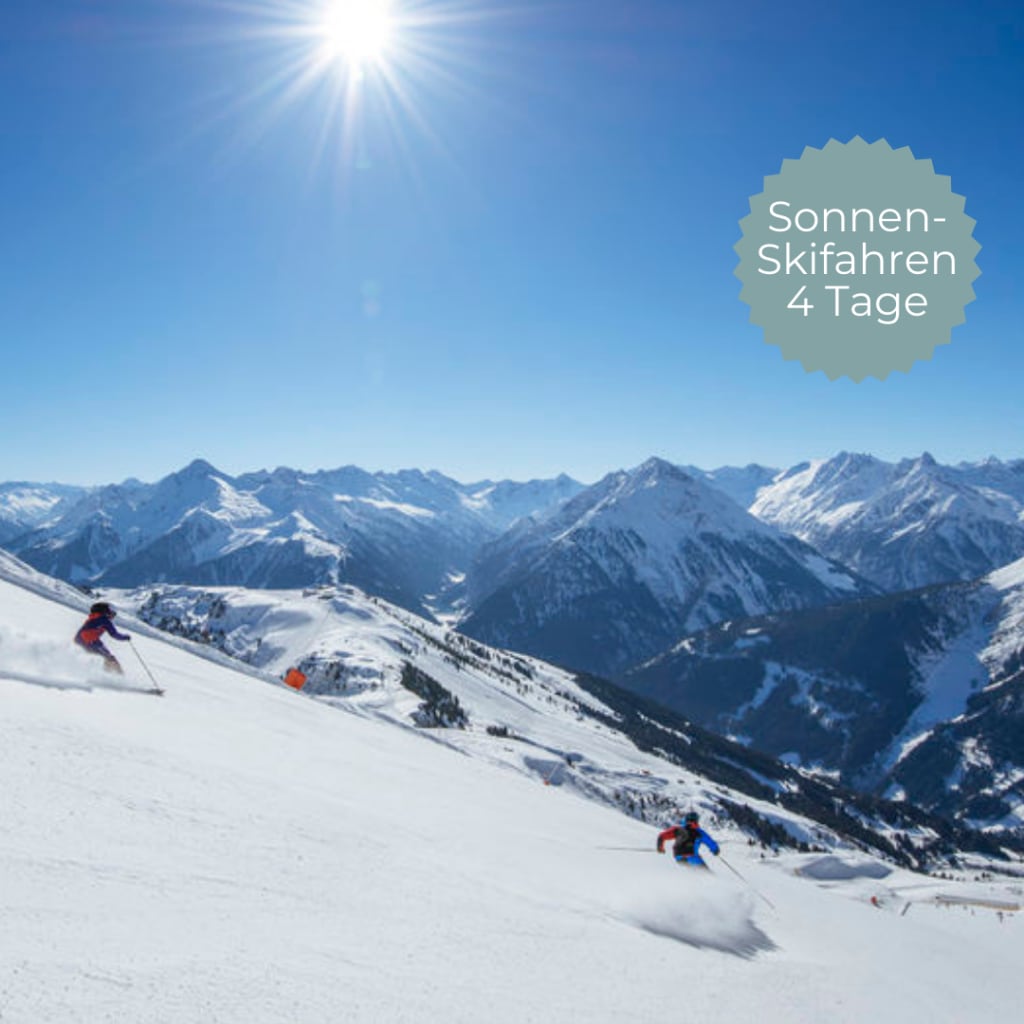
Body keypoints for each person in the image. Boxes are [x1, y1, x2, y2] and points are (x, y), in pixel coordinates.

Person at [74, 601, 131, 674]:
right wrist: (125, 637)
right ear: (106, 612)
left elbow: (81, 634)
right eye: (112, 613)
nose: (113, 616)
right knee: (110, 659)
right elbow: (114, 634)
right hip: (91, 641)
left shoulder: (92, 618)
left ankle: (101, 675)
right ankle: (116, 678)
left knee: (105, 657)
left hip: (81, 641)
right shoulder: (105, 620)